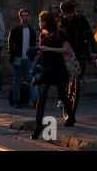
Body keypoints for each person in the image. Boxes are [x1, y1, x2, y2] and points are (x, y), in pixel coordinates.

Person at [29, 11, 76, 140]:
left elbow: (67, 49)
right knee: (41, 98)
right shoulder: (42, 35)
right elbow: (42, 53)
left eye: (40, 20)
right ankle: (37, 128)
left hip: (58, 68)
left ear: (46, 21)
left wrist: (49, 49)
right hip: (45, 69)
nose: (39, 23)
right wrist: (36, 52)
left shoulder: (60, 33)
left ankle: (71, 116)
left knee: (62, 95)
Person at [59, 0, 97, 88]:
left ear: (73, 11)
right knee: (67, 66)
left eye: (70, 13)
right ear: (62, 12)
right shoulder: (61, 21)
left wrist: (94, 51)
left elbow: (90, 36)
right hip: (67, 46)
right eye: (66, 13)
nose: (68, 15)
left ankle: (79, 79)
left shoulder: (81, 19)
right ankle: (69, 83)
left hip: (80, 45)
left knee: (81, 63)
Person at [8, 9, 37, 108]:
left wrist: (33, 56)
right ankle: (16, 101)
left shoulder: (32, 31)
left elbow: (33, 46)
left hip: (28, 59)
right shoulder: (15, 30)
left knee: (32, 80)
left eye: (27, 15)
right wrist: (11, 59)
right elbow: (10, 46)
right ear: (20, 17)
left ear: (29, 17)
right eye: (23, 15)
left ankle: (35, 101)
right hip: (18, 58)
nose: (25, 17)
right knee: (16, 80)